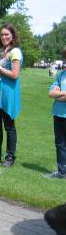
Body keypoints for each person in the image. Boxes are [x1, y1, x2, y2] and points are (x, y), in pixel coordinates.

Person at [0, 24, 23, 167]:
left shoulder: (15, 52)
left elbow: (15, 74)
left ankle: (10, 157)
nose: (4, 37)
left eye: (7, 34)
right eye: (2, 35)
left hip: (9, 91)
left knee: (9, 126)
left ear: (13, 36)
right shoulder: (1, 51)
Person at [44, 47, 66, 179]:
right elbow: (50, 93)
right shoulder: (61, 75)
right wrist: (61, 95)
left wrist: (59, 95)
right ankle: (62, 171)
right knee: (60, 143)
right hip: (58, 114)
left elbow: (57, 95)